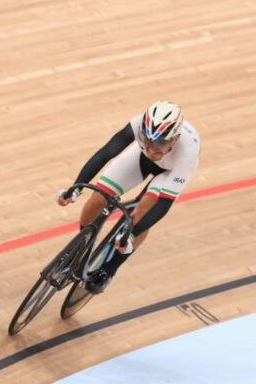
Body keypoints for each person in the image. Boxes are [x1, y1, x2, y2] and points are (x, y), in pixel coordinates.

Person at [57, 101, 200, 293]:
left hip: (169, 172)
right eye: (148, 140)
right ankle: (80, 247)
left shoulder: (187, 152)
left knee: (144, 210)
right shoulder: (138, 124)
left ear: (175, 138)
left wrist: (131, 235)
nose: (152, 149)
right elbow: (105, 153)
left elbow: (163, 205)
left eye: (160, 143)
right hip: (139, 159)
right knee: (99, 198)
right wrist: (75, 188)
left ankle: (108, 271)